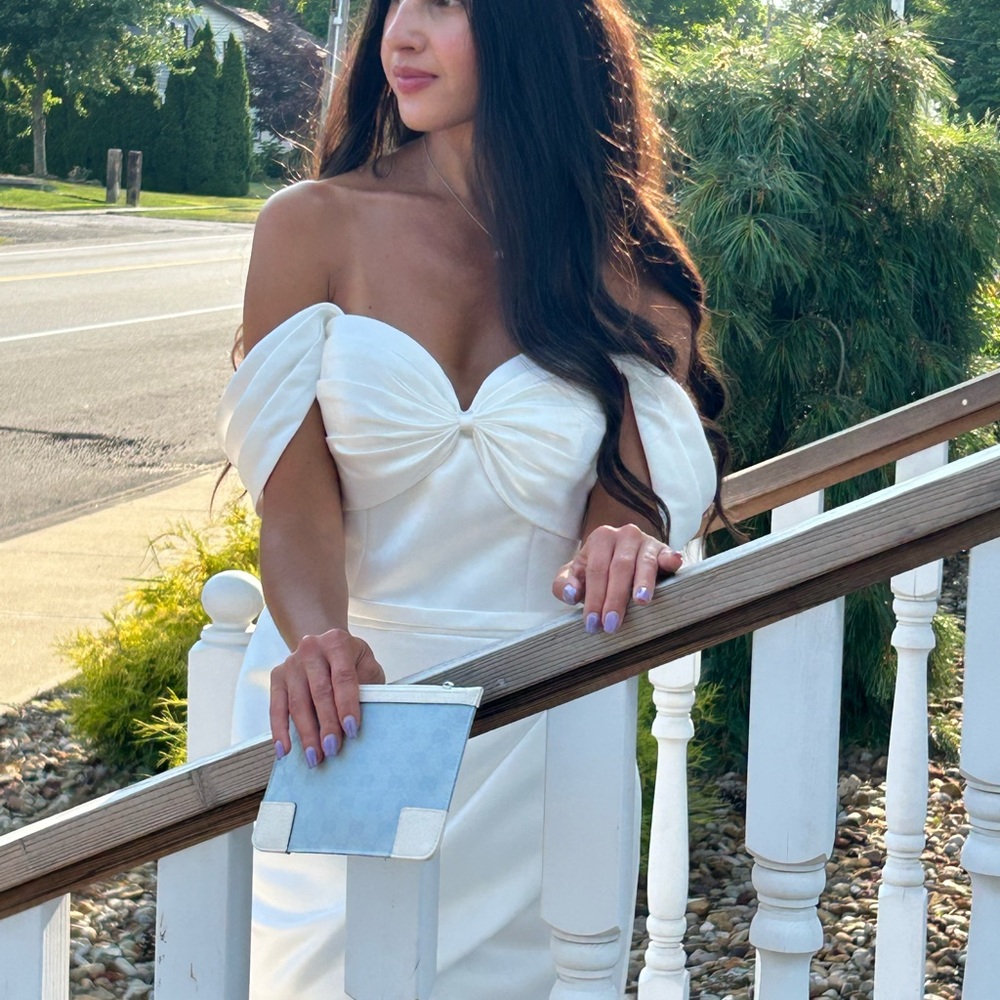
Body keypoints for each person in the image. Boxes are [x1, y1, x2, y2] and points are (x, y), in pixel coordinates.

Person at [216, 0, 728, 992]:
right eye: (395, 4)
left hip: (542, 724)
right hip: (346, 713)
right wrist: (317, 637)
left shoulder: (626, 269)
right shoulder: (312, 225)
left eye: (444, 4)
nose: (400, 34)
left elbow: (624, 499)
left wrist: (623, 541)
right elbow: (294, 499)